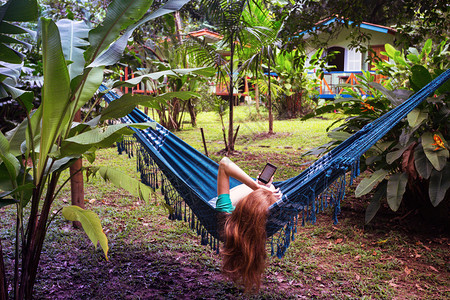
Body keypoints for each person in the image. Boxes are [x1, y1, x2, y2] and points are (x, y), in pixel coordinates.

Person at [215, 157, 282, 292]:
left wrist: (256, 187)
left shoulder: (226, 213)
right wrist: (264, 189)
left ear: (244, 204)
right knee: (274, 191)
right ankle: (266, 191)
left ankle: (263, 192)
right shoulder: (263, 226)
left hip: (247, 205)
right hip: (257, 211)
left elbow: (224, 163)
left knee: (271, 192)